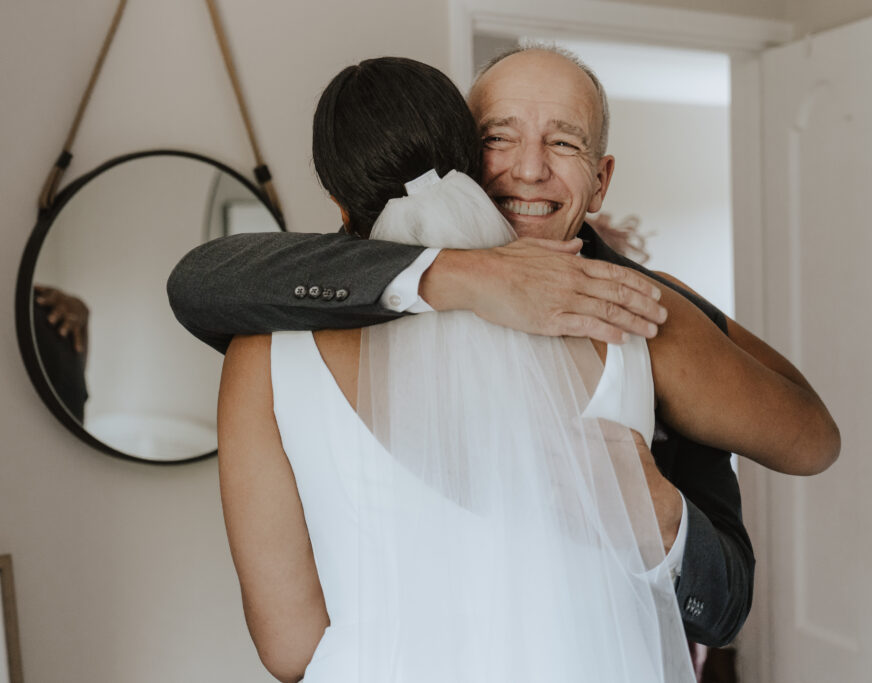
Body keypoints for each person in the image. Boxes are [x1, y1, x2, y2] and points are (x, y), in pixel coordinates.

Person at [171, 46, 836, 648]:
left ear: (601, 180)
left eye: (564, 143)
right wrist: (463, 275)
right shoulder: (314, 289)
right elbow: (201, 279)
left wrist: (661, 515)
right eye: (499, 137)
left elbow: (809, 438)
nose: (529, 168)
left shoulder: (640, 309)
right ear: (457, 151)